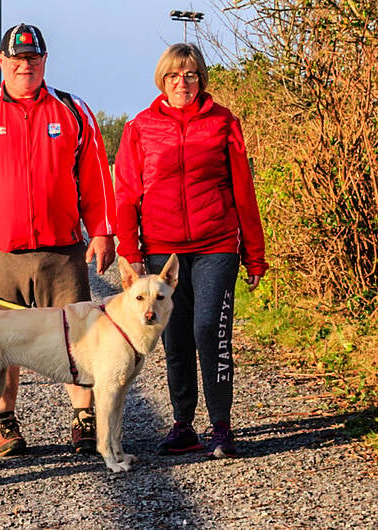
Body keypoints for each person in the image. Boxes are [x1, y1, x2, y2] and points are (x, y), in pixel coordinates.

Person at [0, 23, 116, 457]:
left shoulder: (74, 111)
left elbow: (95, 177)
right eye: (17, 59)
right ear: (1, 61)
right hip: (1, 254)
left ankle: (83, 419)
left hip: (62, 252)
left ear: (44, 62)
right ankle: (4, 423)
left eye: (33, 59)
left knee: (79, 340)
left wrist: (102, 231)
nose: (25, 66)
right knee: (0, 344)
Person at [114, 43, 268, 459]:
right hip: (162, 253)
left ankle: (221, 427)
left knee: (208, 330)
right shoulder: (140, 128)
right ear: (162, 80)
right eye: (174, 76)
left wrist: (254, 253)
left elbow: (244, 191)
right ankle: (183, 425)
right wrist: (129, 251)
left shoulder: (223, 123)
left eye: (191, 76)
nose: (183, 83)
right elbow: (127, 194)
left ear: (201, 79)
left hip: (217, 245)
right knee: (175, 338)